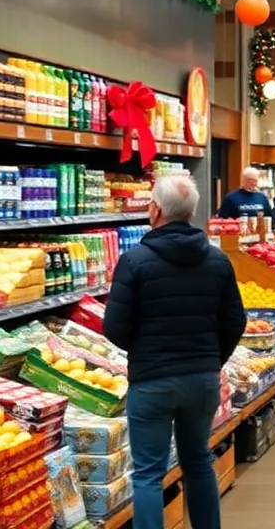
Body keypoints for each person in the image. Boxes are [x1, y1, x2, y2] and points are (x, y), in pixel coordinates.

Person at [103, 174, 245, 529]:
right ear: (192, 212)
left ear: (155, 210)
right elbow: (235, 321)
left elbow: (115, 327)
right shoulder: (218, 261)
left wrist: (145, 351)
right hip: (202, 380)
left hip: (152, 382)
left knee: (148, 474)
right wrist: (211, 358)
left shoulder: (134, 261)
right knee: (198, 460)